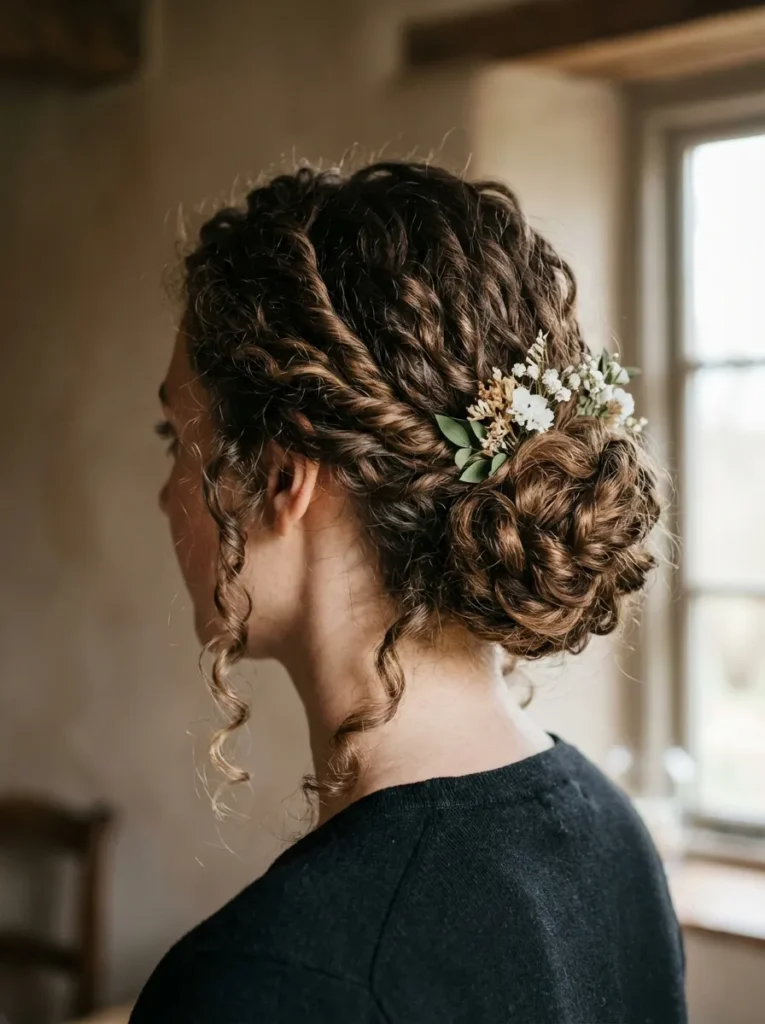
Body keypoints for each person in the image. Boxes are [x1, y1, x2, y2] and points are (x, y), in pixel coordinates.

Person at [131, 161, 686, 1023]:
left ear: (283, 475)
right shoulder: (613, 838)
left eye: (179, 437)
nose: (166, 493)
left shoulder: (264, 982)